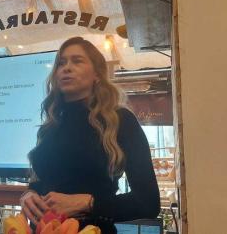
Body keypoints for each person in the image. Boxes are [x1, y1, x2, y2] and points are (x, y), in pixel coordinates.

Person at [19, 37, 160, 233]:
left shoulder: (120, 120)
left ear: (97, 75)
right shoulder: (50, 126)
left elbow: (149, 202)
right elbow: (41, 181)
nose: (66, 68)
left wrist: (87, 202)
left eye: (77, 61)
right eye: (61, 63)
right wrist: (28, 195)